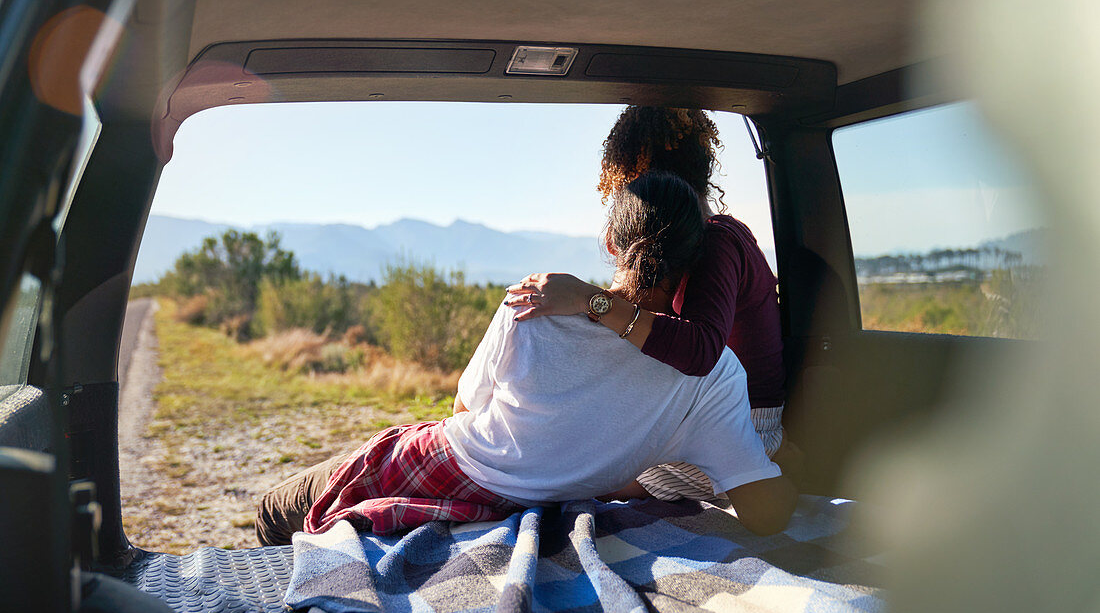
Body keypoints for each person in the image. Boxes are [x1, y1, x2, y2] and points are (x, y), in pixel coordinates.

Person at [256, 172, 797, 544]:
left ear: (611, 242)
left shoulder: (534, 305)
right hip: (518, 507)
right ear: (699, 263)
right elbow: (766, 513)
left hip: (448, 468)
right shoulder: (712, 374)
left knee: (275, 512)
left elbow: (465, 408)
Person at [505, 106, 796, 501]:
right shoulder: (694, 245)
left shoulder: (718, 242)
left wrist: (589, 299)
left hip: (739, 428)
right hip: (696, 416)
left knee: (575, 486)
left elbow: (700, 350)